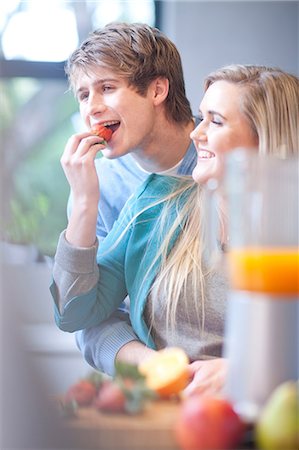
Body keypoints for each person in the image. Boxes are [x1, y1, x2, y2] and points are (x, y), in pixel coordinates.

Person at [51, 59, 299, 395]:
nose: (197, 133)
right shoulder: (157, 204)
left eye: (216, 121)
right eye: (202, 116)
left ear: (264, 139)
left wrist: (244, 369)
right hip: (167, 417)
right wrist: (83, 202)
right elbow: (75, 313)